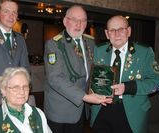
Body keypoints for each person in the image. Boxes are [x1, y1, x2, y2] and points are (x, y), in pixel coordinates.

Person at [44, 5, 112, 133]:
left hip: (82, 108)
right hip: (60, 110)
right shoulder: (54, 44)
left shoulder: (90, 42)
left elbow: (97, 70)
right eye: (74, 19)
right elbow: (55, 79)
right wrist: (84, 97)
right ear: (65, 21)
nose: (79, 24)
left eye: (83, 20)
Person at [90, 15, 159, 133]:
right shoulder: (99, 50)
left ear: (128, 31)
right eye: (112, 30)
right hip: (101, 109)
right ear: (107, 34)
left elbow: (157, 82)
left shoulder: (144, 52)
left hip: (131, 112)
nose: (117, 34)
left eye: (121, 29)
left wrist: (128, 87)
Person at [0, 67, 52, 133]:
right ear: (3, 90)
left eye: (25, 87)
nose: (22, 92)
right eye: (16, 88)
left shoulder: (38, 114)